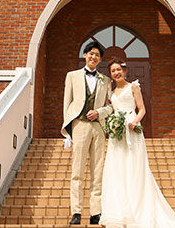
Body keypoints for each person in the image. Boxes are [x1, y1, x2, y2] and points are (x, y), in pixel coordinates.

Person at [100, 59, 175, 228]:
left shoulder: (133, 86)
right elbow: (111, 109)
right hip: (117, 134)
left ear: (124, 70)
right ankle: (119, 210)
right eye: (113, 71)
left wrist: (134, 122)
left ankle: (137, 208)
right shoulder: (111, 91)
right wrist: (111, 124)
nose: (116, 73)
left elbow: (142, 109)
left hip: (132, 129)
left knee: (133, 167)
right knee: (117, 168)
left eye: (118, 69)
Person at [61, 41, 113, 225]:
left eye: (97, 55)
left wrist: (99, 112)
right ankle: (76, 212)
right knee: (77, 171)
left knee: (97, 170)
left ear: (100, 59)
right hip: (80, 125)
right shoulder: (72, 76)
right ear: (85, 55)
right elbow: (67, 103)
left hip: (98, 127)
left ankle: (95, 212)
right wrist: (67, 131)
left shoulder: (106, 80)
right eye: (91, 53)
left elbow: (111, 106)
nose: (93, 57)